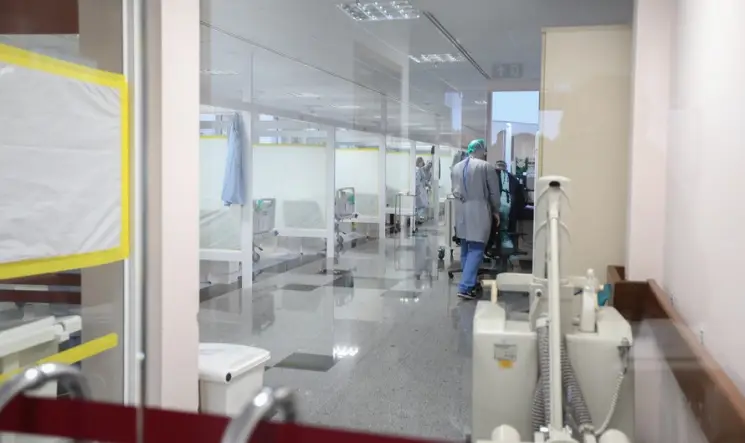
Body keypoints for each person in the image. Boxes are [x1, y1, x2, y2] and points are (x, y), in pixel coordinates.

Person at [451, 139, 501, 300]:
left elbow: (454, 190)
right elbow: (494, 193)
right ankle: (465, 286)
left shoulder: (456, 167)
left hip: (461, 210)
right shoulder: (486, 167)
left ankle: (469, 284)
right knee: (477, 248)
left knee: (466, 248)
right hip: (479, 210)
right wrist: (496, 210)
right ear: (481, 150)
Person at [495, 160, 527, 251]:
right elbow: (521, 199)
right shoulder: (514, 179)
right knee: (509, 229)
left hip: (494, 211)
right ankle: (509, 250)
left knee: (496, 229)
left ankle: (496, 248)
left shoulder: (490, 177)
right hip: (511, 210)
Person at [415, 156, 429, 222]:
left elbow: (423, 179)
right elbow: (418, 181)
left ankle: (417, 217)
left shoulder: (418, 169)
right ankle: (417, 217)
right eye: (421, 162)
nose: (422, 163)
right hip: (419, 190)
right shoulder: (418, 170)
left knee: (420, 205)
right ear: (419, 162)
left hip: (420, 189)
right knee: (423, 204)